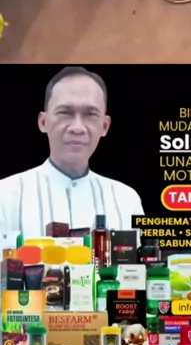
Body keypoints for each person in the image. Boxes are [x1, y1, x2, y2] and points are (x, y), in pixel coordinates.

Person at [0, 67, 143, 240]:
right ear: (43, 122)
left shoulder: (126, 200)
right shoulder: (5, 196)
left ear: (105, 126)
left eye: (90, 114)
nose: (77, 128)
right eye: (65, 113)